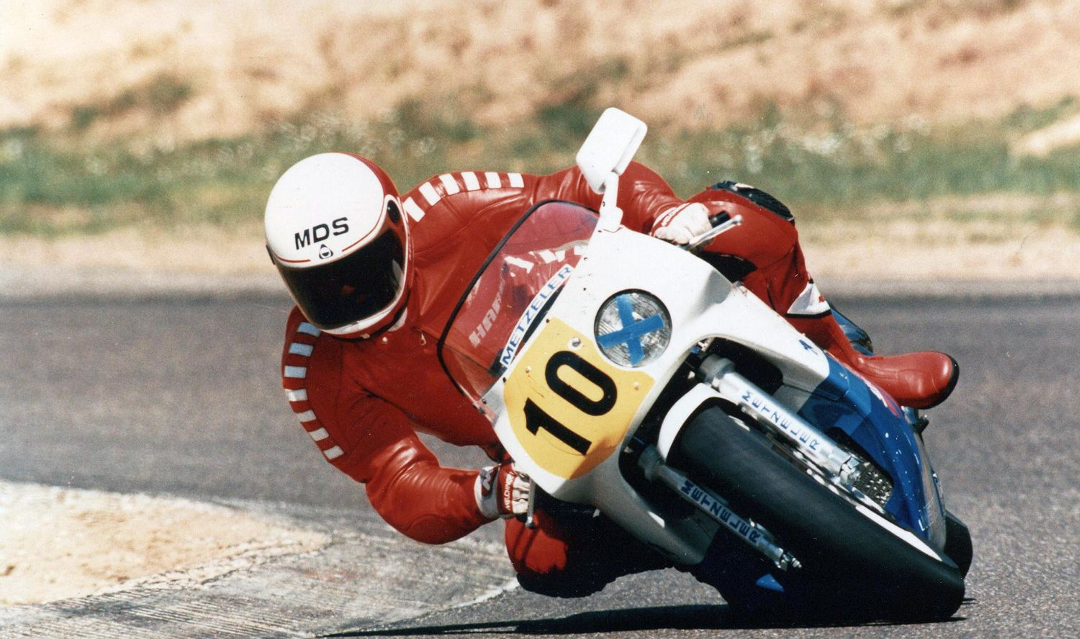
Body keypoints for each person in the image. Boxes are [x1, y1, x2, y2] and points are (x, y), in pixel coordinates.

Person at [264, 152, 958, 597]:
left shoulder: (451, 203)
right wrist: (487, 492)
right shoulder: (311, 368)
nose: (351, 297)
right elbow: (393, 480)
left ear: (397, 226)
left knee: (740, 215)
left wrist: (666, 215)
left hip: (611, 312)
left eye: (365, 268)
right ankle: (689, 540)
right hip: (542, 438)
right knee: (540, 559)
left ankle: (851, 361)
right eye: (323, 287)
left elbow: (582, 182)